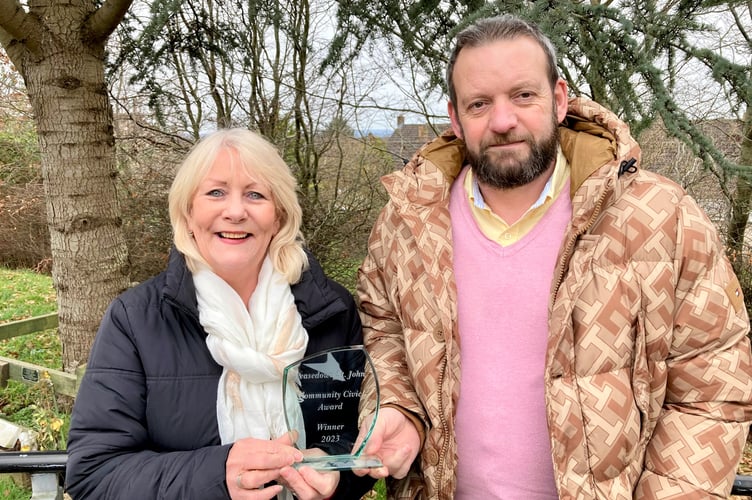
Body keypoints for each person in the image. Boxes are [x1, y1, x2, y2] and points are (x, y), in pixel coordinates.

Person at [354, 14, 752, 499]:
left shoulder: (658, 217)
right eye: (479, 104)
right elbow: (384, 333)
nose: (503, 121)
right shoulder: (406, 223)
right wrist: (398, 410)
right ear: (455, 119)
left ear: (559, 99)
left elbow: (712, 386)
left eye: (523, 95)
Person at [66, 128, 375, 500]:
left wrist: (334, 472)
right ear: (188, 212)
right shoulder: (135, 321)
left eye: (255, 194)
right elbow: (94, 474)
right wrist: (216, 476)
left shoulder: (332, 311)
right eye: (215, 192)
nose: (235, 211)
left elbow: (361, 441)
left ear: (278, 216)